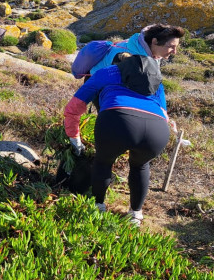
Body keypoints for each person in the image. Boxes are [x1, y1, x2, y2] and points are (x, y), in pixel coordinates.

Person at [64, 54, 175, 227]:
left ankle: (98, 206)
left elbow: (74, 107)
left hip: (117, 120)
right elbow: (164, 114)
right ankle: (135, 215)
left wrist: (74, 136)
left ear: (117, 64)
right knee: (141, 166)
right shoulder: (155, 80)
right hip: (157, 129)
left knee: (103, 163)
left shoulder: (107, 72)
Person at [88, 24, 185, 76]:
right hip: (96, 83)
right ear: (155, 42)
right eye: (171, 47)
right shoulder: (128, 57)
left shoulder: (151, 52)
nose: (174, 52)